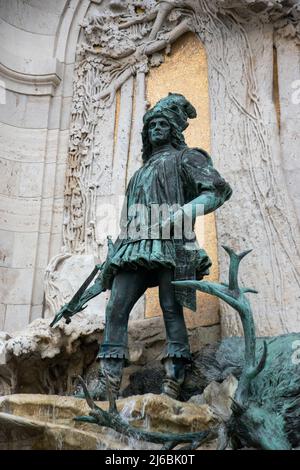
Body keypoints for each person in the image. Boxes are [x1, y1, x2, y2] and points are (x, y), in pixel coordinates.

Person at [84, 93, 232, 400]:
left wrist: (183, 213)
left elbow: (216, 190)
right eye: (152, 124)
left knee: (170, 305)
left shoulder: (188, 158)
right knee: (116, 306)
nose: (156, 129)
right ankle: (108, 378)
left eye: (163, 124)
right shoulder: (139, 173)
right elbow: (129, 218)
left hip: (174, 241)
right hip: (134, 245)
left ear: (174, 129)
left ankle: (174, 375)